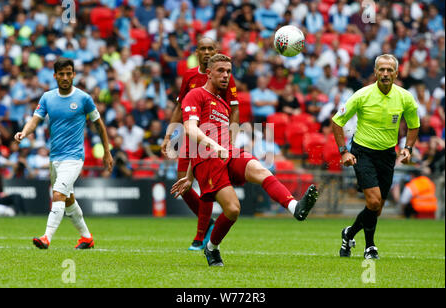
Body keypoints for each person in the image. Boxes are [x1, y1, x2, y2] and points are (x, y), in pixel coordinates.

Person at [171, 54, 318, 266]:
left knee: (261, 170)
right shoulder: (195, 95)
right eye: (220, 70)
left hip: (228, 153)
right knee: (233, 210)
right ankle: (212, 248)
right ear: (209, 72)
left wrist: (190, 173)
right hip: (209, 161)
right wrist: (205, 158)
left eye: (228, 72)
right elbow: (190, 129)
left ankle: (295, 207)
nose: (225, 75)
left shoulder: (222, 103)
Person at [14, 57, 113, 250]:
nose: (65, 77)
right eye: (62, 74)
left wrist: (107, 152)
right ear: (55, 76)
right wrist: (24, 132)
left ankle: (46, 238)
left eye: (69, 73)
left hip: (74, 158)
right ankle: (86, 238)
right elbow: (35, 120)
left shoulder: (84, 98)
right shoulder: (47, 97)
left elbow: (99, 125)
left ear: (74, 74)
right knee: (68, 200)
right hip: (55, 158)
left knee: (58, 194)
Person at [332, 54, 420, 259]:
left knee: (377, 208)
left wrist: (408, 148)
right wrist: (344, 151)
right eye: (381, 69)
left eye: (390, 70)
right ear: (375, 72)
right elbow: (337, 121)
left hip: (388, 155)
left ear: (397, 73)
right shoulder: (362, 95)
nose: (385, 73)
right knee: (373, 202)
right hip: (363, 152)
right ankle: (370, 247)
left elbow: (414, 125)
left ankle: (349, 233)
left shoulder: (405, 97)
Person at [161, 37, 239, 251]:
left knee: (206, 187)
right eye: (202, 48)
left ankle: (200, 235)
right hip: (191, 135)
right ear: (196, 52)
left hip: (214, 138)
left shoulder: (224, 75)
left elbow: (234, 109)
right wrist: (169, 135)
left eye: (210, 48)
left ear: (215, 51)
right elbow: (180, 108)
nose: (206, 52)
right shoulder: (189, 76)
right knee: (182, 184)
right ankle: (208, 223)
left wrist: (229, 140)